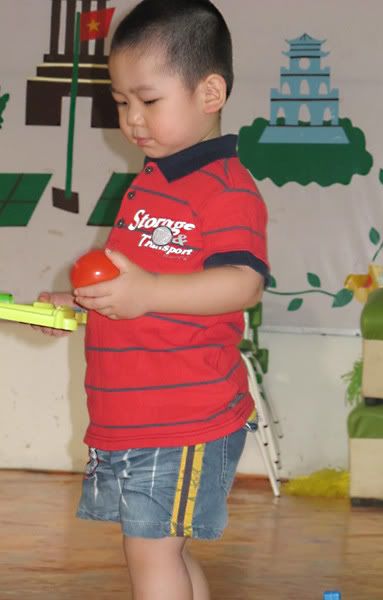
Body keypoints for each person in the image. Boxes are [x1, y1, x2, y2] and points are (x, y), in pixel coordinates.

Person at [36, 1, 269, 598]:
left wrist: (147, 292)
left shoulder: (226, 189)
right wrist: (80, 301)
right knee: (162, 549)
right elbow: (136, 287)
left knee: (151, 551)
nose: (132, 120)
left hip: (184, 416)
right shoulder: (151, 182)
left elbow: (244, 282)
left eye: (148, 100)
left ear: (209, 92)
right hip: (135, 418)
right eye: (121, 102)